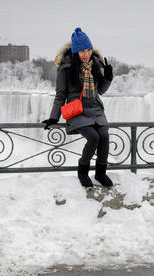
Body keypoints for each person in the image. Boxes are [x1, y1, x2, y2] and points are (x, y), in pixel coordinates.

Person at [42, 27, 114, 188]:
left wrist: (108, 77)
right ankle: (82, 171)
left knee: (104, 136)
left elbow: (100, 90)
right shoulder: (65, 68)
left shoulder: (95, 64)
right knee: (94, 137)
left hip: (95, 108)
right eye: (82, 51)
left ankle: (101, 173)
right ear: (76, 51)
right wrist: (54, 117)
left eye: (88, 49)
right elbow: (60, 95)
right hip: (78, 111)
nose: (86, 54)